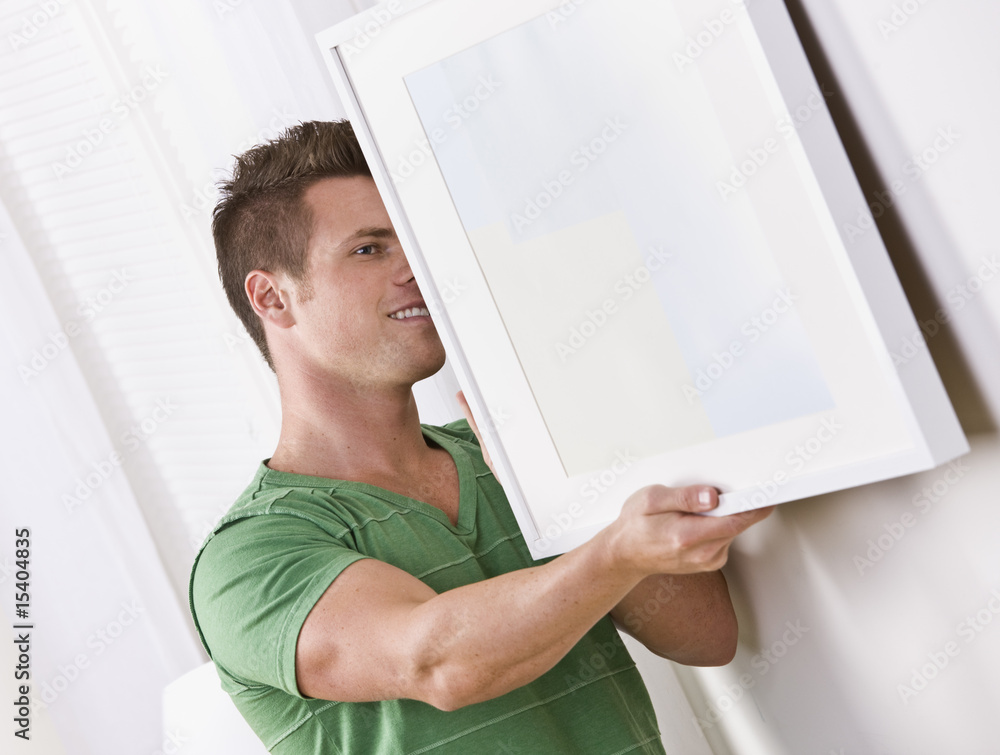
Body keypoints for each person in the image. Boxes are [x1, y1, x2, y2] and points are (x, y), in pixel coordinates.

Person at [188, 120, 772, 754]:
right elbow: (438, 663)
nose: (414, 269)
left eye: (414, 243)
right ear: (273, 298)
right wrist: (617, 552)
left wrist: (578, 498)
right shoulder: (246, 558)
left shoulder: (507, 450)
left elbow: (706, 636)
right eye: (369, 249)